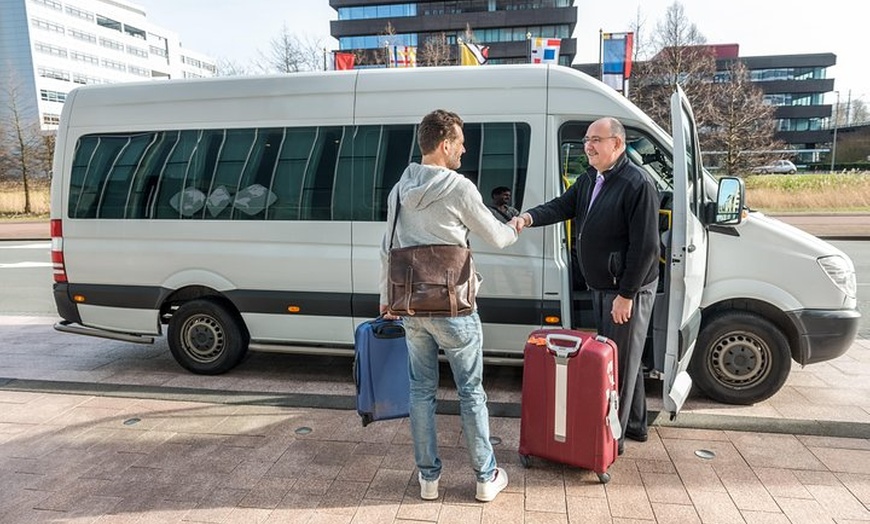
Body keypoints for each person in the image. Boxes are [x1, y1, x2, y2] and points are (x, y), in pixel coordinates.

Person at [379, 109, 518, 502]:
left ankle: (428, 479)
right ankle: (485, 477)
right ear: (444, 145)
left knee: (421, 392)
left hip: (411, 308)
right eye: (459, 141)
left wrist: (386, 299)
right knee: (471, 392)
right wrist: (517, 225)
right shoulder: (459, 187)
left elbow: (385, 249)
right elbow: (498, 237)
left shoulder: (399, 189)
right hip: (454, 308)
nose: (464, 148)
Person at [511, 117, 660, 455]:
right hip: (602, 285)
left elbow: (646, 247)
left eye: (596, 139)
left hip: (625, 289)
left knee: (615, 365)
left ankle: (612, 441)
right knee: (623, 357)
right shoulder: (592, 176)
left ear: (617, 144)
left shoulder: (637, 183)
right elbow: (563, 206)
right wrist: (528, 217)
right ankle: (635, 425)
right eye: (587, 140)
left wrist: (626, 294)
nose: (588, 146)